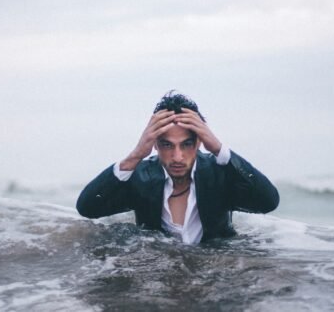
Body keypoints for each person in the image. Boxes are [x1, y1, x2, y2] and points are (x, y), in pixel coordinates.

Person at [77, 92, 279, 244]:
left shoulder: (220, 173)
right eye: (167, 145)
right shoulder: (140, 177)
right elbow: (88, 208)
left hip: (215, 277)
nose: (177, 157)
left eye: (186, 144)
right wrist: (136, 154)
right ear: (154, 143)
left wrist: (218, 148)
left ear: (199, 141)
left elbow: (268, 201)